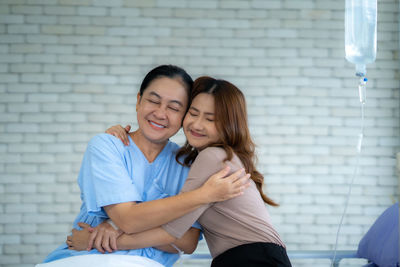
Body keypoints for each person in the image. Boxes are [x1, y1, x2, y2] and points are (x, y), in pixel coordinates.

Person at [69, 76, 292, 266]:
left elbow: (173, 232)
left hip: (250, 258)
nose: (196, 124)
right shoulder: (208, 158)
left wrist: (99, 240)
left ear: (229, 124)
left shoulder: (212, 157)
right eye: (193, 113)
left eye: (210, 119)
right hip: (254, 256)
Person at [40, 66, 249, 267]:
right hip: (86, 258)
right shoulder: (107, 145)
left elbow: (188, 241)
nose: (160, 113)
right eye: (153, 101)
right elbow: (128, 219)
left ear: (184, 115)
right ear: (139, 100)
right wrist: (202, 196)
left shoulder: (188, 164)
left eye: (174, 108)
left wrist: (115, 228)